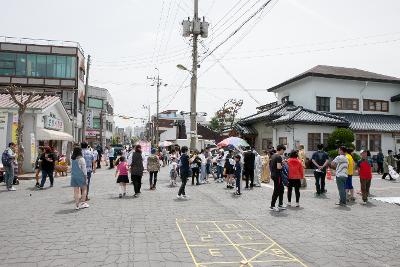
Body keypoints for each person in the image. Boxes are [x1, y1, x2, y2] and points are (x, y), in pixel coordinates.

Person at [269, 144, 286, 212]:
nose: (283, 152)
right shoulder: (279, 157)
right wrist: (283, 164)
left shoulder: (273, 155)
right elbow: (279, 167)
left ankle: (280, 204)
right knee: (277, 190)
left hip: (274, 174)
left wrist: (282, 162)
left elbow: (275, 164)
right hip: (277, 175)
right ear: (281, 150)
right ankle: (272, 205)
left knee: (281, 189)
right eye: (283, 150)